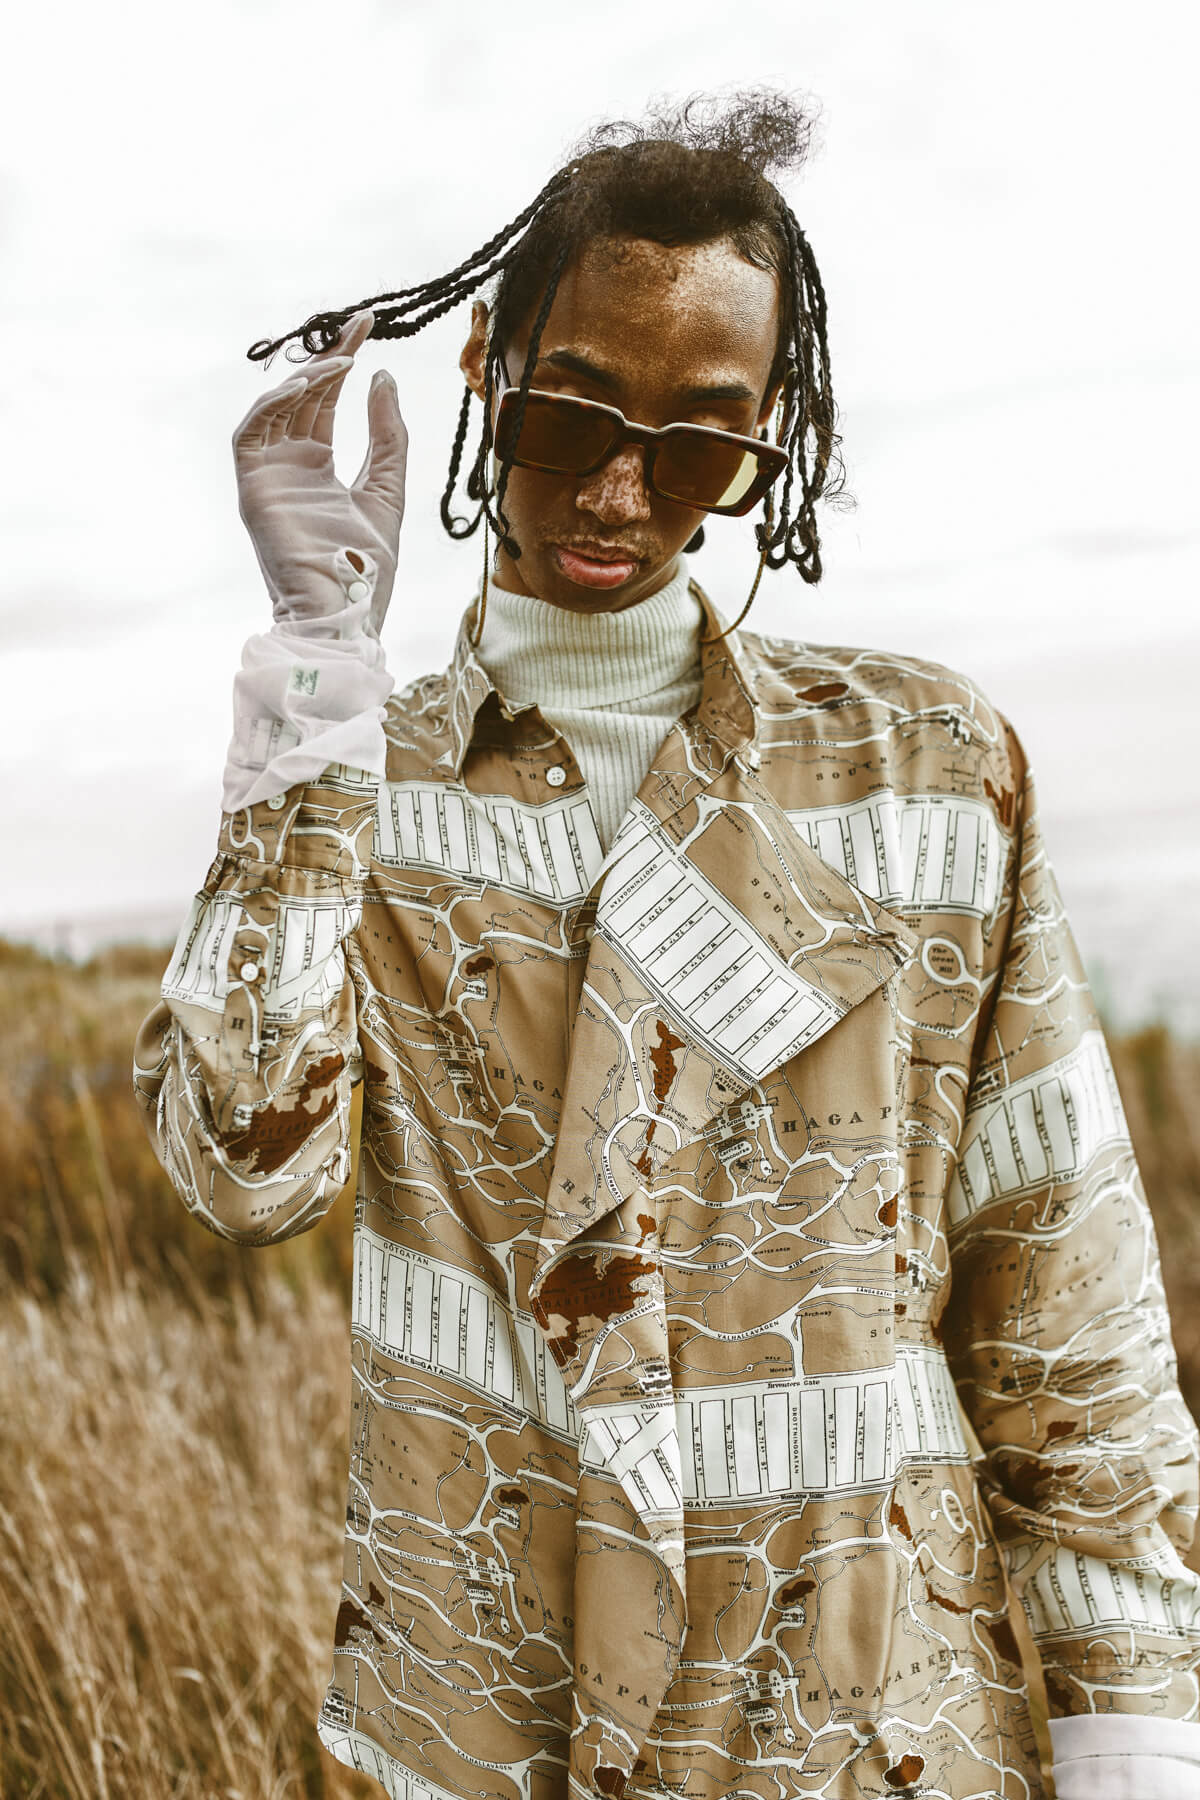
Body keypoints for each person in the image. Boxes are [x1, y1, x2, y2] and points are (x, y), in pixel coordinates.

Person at [133, 90, 1200, 1800]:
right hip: (491, 1719)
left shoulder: (927, 770)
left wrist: (1134, 1744)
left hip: (878, 1732)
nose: (621, 490)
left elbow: (1069, 1321)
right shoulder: (362, 787)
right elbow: (240, 1169)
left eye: (700, 447)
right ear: (484, 367)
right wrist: (313, 685)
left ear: (771, 438)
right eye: (569, 417)